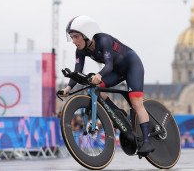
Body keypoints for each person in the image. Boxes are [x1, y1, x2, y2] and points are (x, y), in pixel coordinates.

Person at [59, 15, 154, 156]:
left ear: (86, 35)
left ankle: (147, 141)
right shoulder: (81, 50)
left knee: (136, 103)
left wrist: (99, 75)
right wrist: (67, 89)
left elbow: (108, 65)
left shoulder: (104, 40)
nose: (74, 41)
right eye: (71, 37)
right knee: (93, 88)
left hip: (132, 66)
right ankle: (118, 112)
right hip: (117, 71)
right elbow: (77, 71)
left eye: (76, 37)